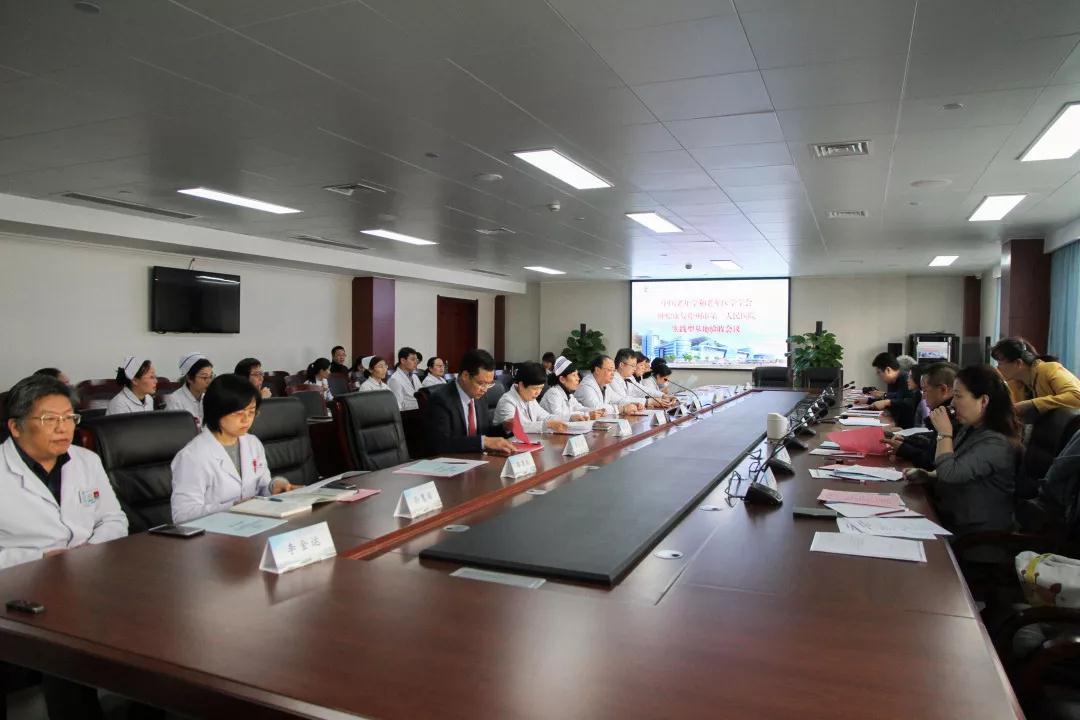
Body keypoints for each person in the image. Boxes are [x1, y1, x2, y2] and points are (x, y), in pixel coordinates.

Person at [1, 374, 129, 719]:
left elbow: (114, 519)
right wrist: (40, 558)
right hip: (20, 589)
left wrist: (88, 552)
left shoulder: (86, 460)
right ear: (15, 426)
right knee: (64, 649)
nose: (63, 428)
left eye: (70, 417)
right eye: (49, 419)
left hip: (88, 577)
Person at [171, 374, 298, 524]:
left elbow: (262, 486)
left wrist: (275, 486)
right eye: (238, 413)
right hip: (215, 532)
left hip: (254, 525)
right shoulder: (192, 456)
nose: (246, 419)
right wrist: (233, 507)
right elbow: (182, 515)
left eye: (251, 412)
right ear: (217, 411)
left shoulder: (252, 443)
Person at [922, 365, 1021, 536]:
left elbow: (950, 474)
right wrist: (929, 476)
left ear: (983, 401)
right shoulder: (971, 428)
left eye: (958, 396)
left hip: (978, 535)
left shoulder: (996, 442)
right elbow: (959, 467)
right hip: (953, 520)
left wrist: (944, 433)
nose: (952, 403)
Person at [423, 349, 515, 455]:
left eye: (489, 384)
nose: (485, 389)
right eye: (481, 383)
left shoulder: (480, 397)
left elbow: (485, 433)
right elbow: (441, 443)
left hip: (478, 459)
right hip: (450, 461)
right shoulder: (440, 399)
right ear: (465, 376)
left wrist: (505, 427)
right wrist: (483, 442)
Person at [885, 362, 959, 470]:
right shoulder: (943, 412)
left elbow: (933, 462)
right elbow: (932, 442)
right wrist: (907, 440)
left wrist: (904, 449)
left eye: (925, 390)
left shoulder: (951, 417)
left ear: (943, 390)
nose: (923, 397)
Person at [992, 337, 1080, 421]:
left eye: (1000, 363)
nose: (997, 368)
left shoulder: (1050, 369)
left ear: (1018, 363)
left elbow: (1077, 397)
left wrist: (1032, 404)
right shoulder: (1015, 382)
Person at [493, 362, 578, 433]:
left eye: (541, 388)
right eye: (535, 388)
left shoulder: (530, 399)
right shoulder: (507, 401)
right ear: (521, 385)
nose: (538, 392)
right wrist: (546, 425)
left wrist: (570, 418)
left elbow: (546, 417)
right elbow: (515, 426)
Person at [574, 354, 643, 415]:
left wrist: (632, 403)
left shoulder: (605, 385)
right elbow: (596, 407)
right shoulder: (586, 386)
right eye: (610, 370)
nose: (613, 374)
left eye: (614, 370)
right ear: (597, 370)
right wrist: (622, 409)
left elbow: (619, 400)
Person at [540, 356, 606, 420]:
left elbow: (579, 408)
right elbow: (558, 415)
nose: (578, 378)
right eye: (574, 375)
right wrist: (587, 414)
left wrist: (596, 411)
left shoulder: (569, 395)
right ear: (562, 379)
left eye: (577, 374)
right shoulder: (553, 393)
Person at [864, 352, 918, 428]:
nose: (878, 376)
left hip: (905, 428)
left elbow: (909, 403)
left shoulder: (905, 379)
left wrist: (887, 402)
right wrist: (869, 401)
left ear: (888, 370)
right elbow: (895, 398)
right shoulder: (894, 380)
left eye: (879, 372)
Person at [164, 352, 213, 428]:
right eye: (204, 377)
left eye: (211, 376)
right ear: (189, 378)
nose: (209, 381)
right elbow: (173, 430)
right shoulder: (174, 401)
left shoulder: (209, 398)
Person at [388, 346, 422, 411]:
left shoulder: (414, 376)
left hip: (419, 411)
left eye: (416, 360)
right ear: (403, 361)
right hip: (407, 415)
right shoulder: (395, 379)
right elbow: (398, 405)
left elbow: (421, 395)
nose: (416, 362)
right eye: (413, 359)